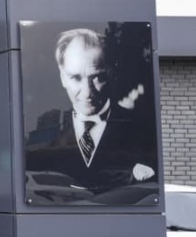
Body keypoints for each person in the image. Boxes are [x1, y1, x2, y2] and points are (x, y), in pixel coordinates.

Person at [28, 28, 157, 199]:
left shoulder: (140, 130)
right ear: (62, 77)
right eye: (75, 78)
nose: (87, 92)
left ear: (111, 73)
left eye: (97, 77)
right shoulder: (48, 138)